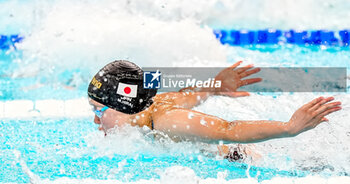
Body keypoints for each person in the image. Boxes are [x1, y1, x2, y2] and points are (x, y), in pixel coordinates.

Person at [87, 60, 342, 160]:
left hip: (265, 159)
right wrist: (215, 86)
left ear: (126, 106)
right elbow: (188, 95)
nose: (96, 121)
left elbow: (228, 129)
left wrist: (290, 128)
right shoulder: (154, 104)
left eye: (99, 111)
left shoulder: (167, 122)